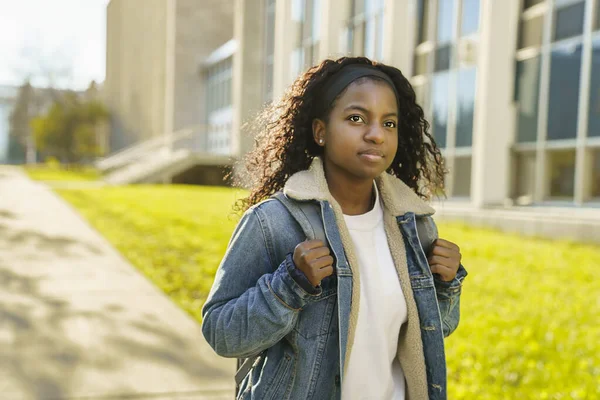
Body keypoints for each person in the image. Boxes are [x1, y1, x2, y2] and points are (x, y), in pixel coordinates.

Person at [201, 56, 468, 400]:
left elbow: (429, 333)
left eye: (389, 124)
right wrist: (289, 284)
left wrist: (446, 287)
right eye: (356, 118)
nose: (375, 135)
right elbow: (222, 333)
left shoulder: (416, 225)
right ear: (320, 131)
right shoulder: (274, 222)